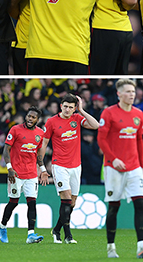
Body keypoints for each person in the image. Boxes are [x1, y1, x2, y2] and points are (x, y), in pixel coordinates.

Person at [97, 78, 143, 259]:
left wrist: (142, 166)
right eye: (128, 91)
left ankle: (142, 246)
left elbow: (139, 140)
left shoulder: (138, 113)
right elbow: (101, 139)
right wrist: (113, 159)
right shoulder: (108, 113)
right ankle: (111, 247)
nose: (132, 94)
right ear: (119, 94)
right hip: (114, 168)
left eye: (133, 91)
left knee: (141, 203)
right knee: (114, 206)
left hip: (134, 167)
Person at [40, 94, 99, 243]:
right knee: (65, 200)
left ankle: (56, 229)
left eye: (71, 107)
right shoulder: (52, 121)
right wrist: (42, 168)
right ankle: (67, 236)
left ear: (74, 109)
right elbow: (44, 144)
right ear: (61, 106)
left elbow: (96, 125)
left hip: (76, 166)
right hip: (60, 165)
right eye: (65, 106)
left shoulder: (77, 119)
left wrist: (82, 110)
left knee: (72, 203)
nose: (67, 109)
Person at [0, 107, 47, 244]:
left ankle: (31, 234)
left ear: (38, 120)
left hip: (31, 174)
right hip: (16, 173)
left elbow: (38, 155)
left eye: (33, 117)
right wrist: (9, 168)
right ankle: (2, 226)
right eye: (29, 116)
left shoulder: (40, 134)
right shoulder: (15, 130)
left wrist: (42, 170)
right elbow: (6, 150)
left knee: (32, 203)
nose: (30, 119)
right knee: (13, 202)